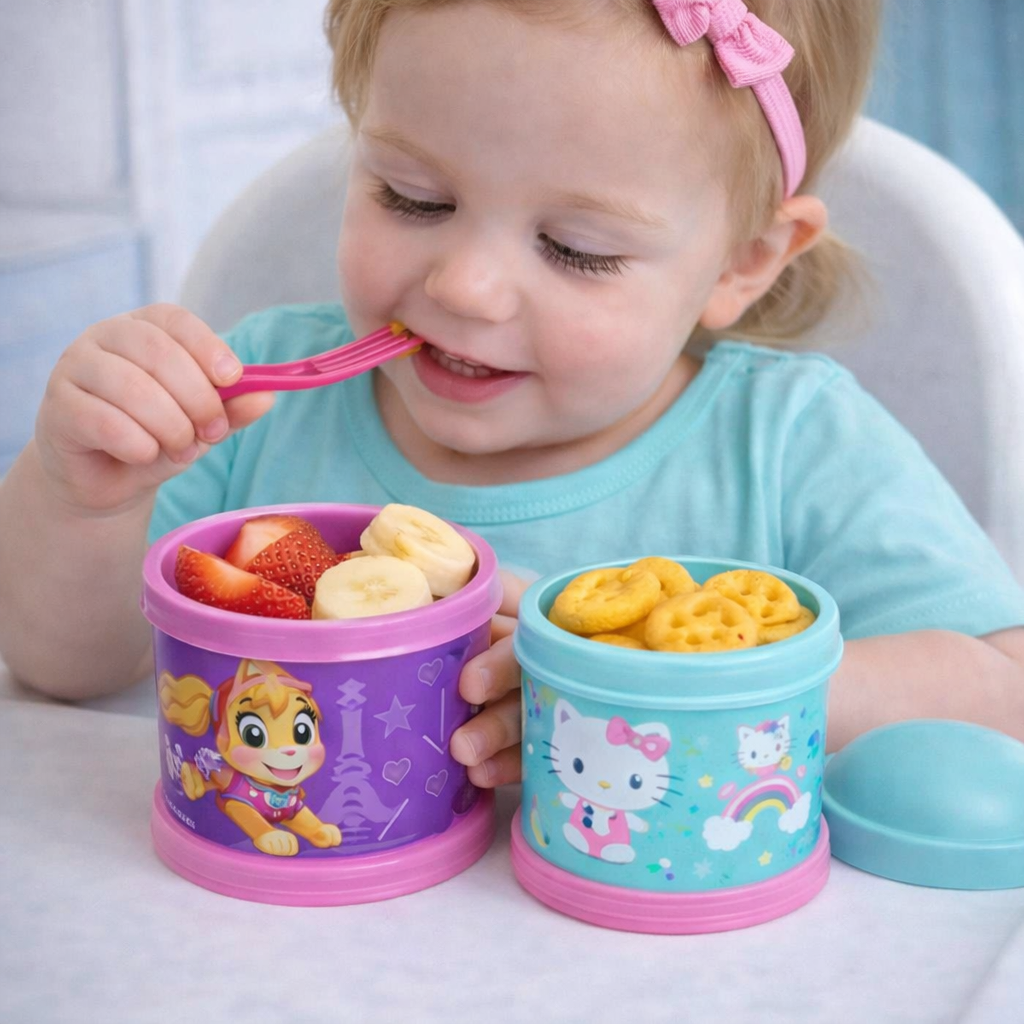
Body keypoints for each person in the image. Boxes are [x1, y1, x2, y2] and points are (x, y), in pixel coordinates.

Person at [2, 0, 1022, 790]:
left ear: (742, 262)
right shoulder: (260, 402)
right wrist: (82, 497)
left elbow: (1003, 692)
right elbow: (63, 670)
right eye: (413, 198)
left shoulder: (794, 442)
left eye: (575, 249)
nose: (465, 288)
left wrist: (675, 688)